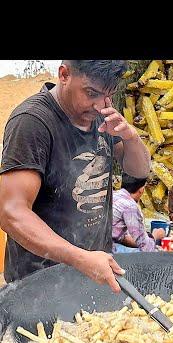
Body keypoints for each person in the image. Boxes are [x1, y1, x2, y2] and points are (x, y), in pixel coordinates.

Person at [0, 60, 150, 293]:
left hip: (92, 273)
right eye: (91, 93)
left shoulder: (102, 115)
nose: (100, 105)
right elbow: (11, 212)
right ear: (64, 74)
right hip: (39, 282)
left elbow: (139, 170)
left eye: (108, 95)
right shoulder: (33, 122)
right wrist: (79, 258)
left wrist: (130, 136)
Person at [112, 174, 165, 253]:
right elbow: (147, 249)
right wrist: (155, 235)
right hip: (108, 249)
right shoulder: (130, 206)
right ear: (141, 189)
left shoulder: (113, 195)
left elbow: (121, 236)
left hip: (96, 244)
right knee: (158, 252)